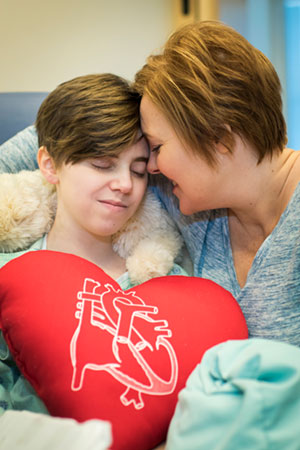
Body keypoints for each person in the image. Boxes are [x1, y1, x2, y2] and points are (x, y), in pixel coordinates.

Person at [0, 73, 186, 448]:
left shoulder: (165, 286)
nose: (125, 184)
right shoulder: (9, 276)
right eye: (102, 164)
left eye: (137, 170)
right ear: (50, 166)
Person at [133, 20, 300, 347]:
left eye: (157, 148)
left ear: (218, 140)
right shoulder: (195, 204)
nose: (149, 166)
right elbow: (67, 136)